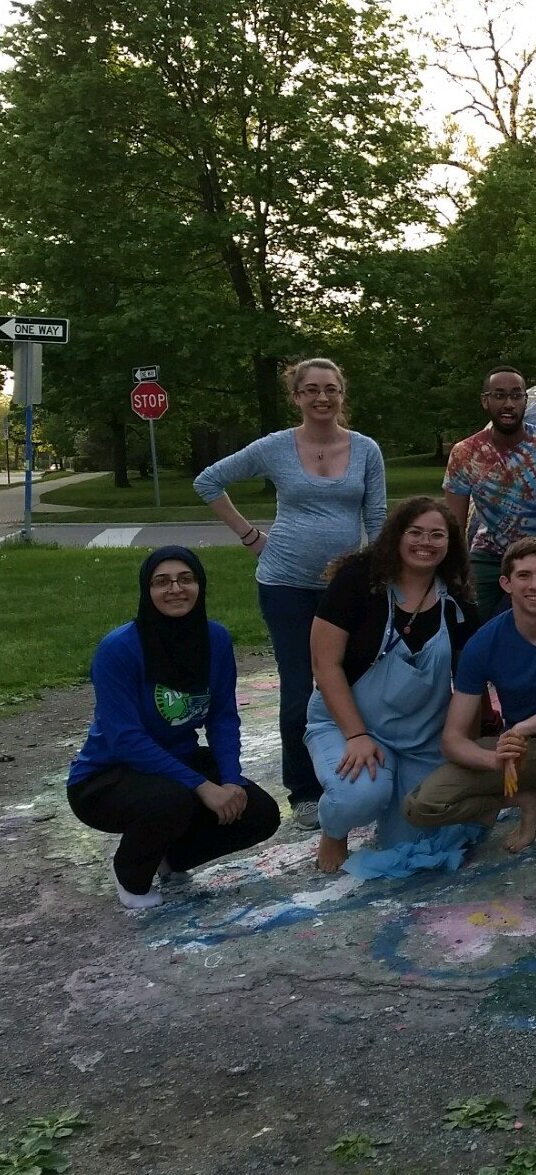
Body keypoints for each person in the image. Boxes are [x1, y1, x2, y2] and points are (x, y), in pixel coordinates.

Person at [195, 358, 387, 830]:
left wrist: (380, 573)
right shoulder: (277, 447)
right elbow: (208, 481)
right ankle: (303, 790)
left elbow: (378, 518)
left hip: (344, 590)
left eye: (331, 389)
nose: (322, 398)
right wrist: (248, 537)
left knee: (354, 677)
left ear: (342, 395)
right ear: (297, 396)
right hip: (284, 583)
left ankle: (362, 771)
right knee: (300, 684)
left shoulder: (365, 450)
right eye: (312, 390)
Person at [401, 538, 536, 904]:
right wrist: (494, 759)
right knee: (422, 806)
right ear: (506, 583)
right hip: (519, 754)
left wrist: (525, 726)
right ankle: (525, 801)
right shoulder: (484, 643)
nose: (535, 585)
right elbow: (453, 739)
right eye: (524, 576)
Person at [67, 548, 281, 909]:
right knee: (173, 801)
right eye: (161, 582)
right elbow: (124, 739)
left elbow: (223, 716)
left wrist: (230, 780)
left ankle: (169, 858)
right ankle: (132, 874)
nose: (175, 589)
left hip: (175, 762)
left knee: (258, 812)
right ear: (146, 590)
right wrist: (201, 786)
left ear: (200, 585)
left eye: (186, 579)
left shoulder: (215, 639)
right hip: (106, 776)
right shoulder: (118, 649)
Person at [305, 497, 480, 873]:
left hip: (421, 737)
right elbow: (325, 664)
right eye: (414, 532)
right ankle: (334, 830)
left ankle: (397, 788)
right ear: (395, 536)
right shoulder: (357, 582)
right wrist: (355, 734)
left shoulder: (458, 600)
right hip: (350, 726)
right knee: (359, 797)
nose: (425, 543)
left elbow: (469, 680)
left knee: (421, 838)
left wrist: (464, 740)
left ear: (450, 544)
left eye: (437, 535)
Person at [444, 366, 536, 617]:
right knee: (460, 615)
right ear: (485, 401)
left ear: (525, 400)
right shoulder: (465, 452)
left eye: (516, 395)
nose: (508, 403)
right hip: (489, 555)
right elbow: (453, 524)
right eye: (499, 395)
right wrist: (460, 575)